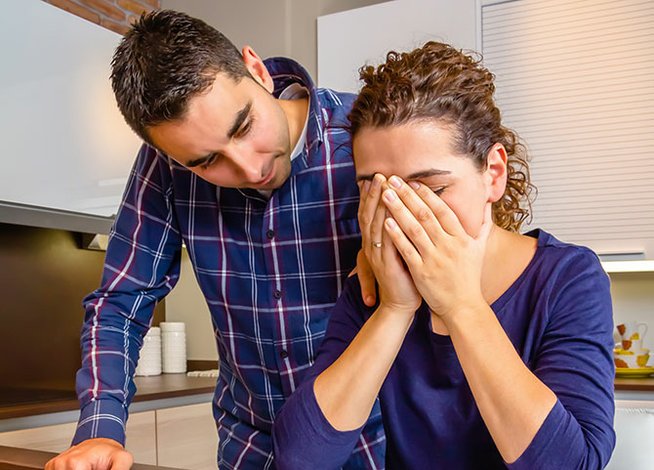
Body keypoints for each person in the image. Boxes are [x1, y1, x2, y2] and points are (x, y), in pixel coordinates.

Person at [45, 10, 385, 470]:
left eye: (244, 126)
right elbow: (120, 303)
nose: (248, 169)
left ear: (257, 70)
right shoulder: (167, 168)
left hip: (377, 445)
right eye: (207, 162)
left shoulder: (368, 132)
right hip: (253, 450)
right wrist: (100, 429)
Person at [272, 41, 616, 469]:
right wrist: (395, 309)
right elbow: (302, 458)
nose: (399, 214)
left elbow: (572, 464)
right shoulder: (373, 286)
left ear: (493, 173)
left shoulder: (567, 278)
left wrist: (462, 305)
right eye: (375, 190)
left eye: (431, 189)